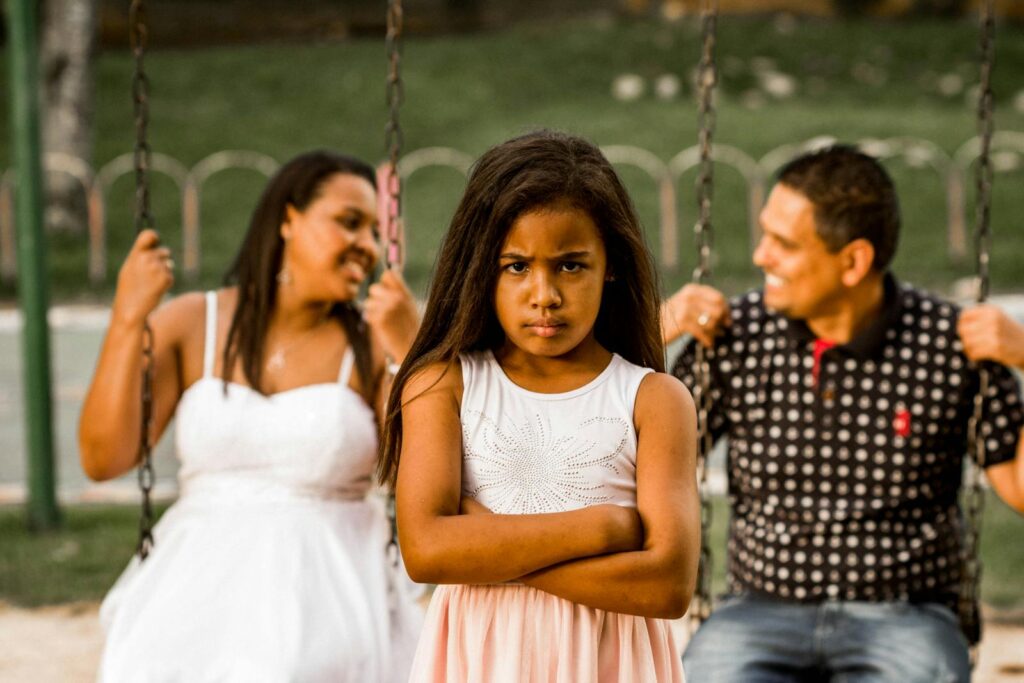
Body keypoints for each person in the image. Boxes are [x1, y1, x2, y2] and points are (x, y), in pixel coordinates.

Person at [662, 144, 1024, 682]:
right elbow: (625, 459)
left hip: (907, 616)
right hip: (759, 609)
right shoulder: (734, 336)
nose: (760, 256)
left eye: (783, 244)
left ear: (853, 261)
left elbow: (1018, 487)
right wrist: (656, 327)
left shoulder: (950, 345)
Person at [79, 150, 424, 682]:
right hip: (193, 595)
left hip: (326, 597)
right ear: (288, 218)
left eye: (375, 232)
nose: (367, 246)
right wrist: (128, 318)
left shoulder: (372, 345)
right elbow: (103, 458)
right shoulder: (194, 323)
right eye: (349, 222)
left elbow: (425, 480)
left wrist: (410, 349)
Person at [378, 130, 699, 682]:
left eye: (571, 266)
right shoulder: (443, 386)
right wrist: (601, 529)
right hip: (484, 661)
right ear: (483, 268)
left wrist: (489, 546)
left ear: (612, 265)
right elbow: (427, 551)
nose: (544, 294)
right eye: (517, 266)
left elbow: (667, 586)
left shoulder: (653, 399)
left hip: (608, 664)